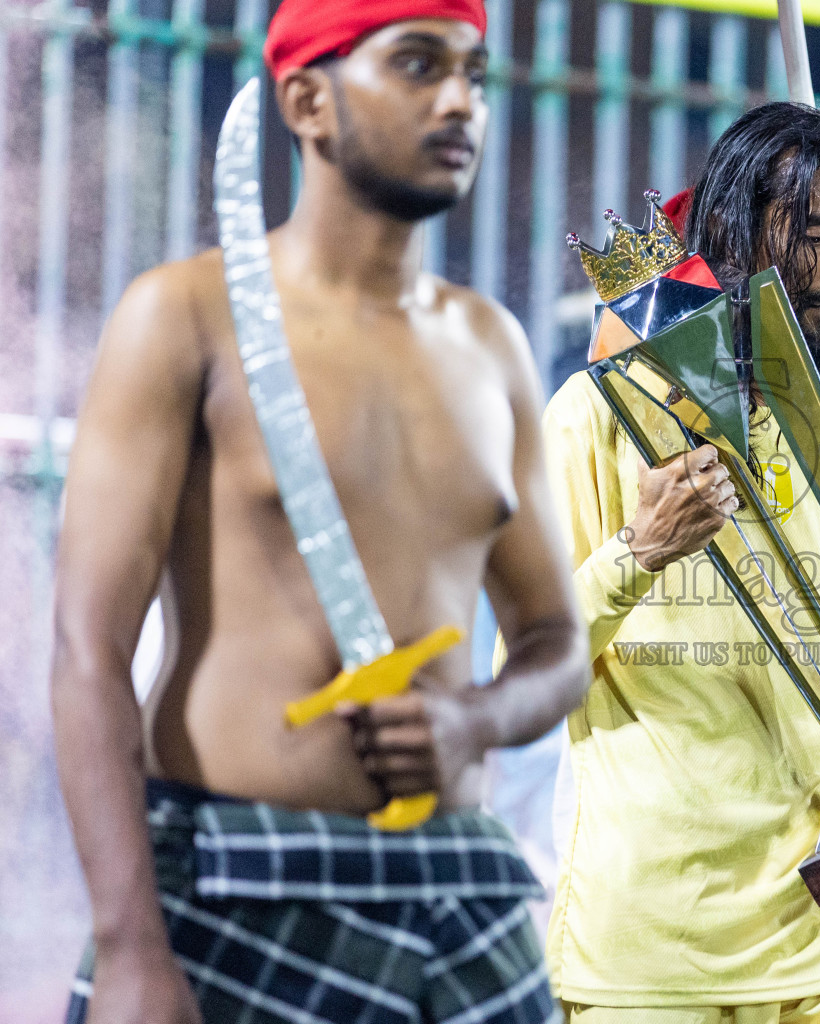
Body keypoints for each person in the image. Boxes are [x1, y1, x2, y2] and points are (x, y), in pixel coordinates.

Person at [50, 1, 586, 1021]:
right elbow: (86, 651)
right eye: (420, 65)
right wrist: (129, 946)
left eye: (476, 74)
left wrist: (473, 718)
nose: (460, 100)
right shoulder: (183, 315)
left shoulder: (492, 347)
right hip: (231, 885)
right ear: (308, 99)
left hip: (460, 898)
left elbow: (558, 643)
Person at [543, 102, 820, 1024]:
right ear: (742, 232)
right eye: (819, 236)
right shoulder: (596, 418)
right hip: (652, 945)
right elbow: (526, 676)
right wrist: (640, 552)